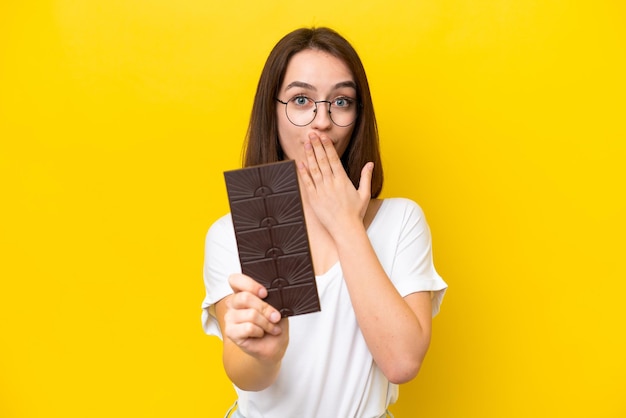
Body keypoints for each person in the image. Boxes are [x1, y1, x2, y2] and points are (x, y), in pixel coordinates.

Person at [201, 27, 447, 418]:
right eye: (301, 100)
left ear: (358, 116)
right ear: (273, 111)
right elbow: (242, 372)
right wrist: (266, 354)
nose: (322, 121)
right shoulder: (232, 232)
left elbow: (402, 363)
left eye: (341, 101)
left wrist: (345, 223)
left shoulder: (401, 220)